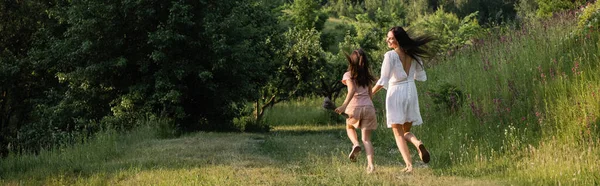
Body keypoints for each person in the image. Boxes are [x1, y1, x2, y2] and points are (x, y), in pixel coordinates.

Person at [371, 26, 433, 173]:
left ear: (398, 40)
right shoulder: (413, 54)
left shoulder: (390, 56)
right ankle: (418, 143)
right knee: (405, 131)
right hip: (411, 91)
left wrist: (370, 94)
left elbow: (383, 80)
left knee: (398, 133)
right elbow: (420, 76)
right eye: (388, 37)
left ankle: (409, 165)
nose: (388, 39)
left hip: (396, 92)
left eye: (391, 38)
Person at [334, 49, 378, 174]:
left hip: (354, 107)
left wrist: (343, 106)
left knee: (349, 127)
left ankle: (355, 144)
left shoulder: (348, 75)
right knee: (367, 139)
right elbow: (370, 94)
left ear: (351, 61)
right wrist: (369, 106)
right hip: (369, 107)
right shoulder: (367, 76)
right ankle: (371, 166)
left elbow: (352, 89)